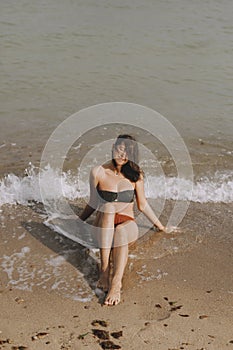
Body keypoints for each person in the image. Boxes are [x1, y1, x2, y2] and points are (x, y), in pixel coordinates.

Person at [80, 134, 169, 306]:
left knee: (121, 230)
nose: (123, 155)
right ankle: (104, 271)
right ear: (113, 148)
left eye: (128, 152)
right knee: (108, 207)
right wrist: (79, 220)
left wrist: (161, 226)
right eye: (120, 149)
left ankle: (116, 283)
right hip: (103, 224)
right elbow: (92, 203)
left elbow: (142, 205)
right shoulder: (98, 172)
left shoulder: (136, 175)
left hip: (126, 224)